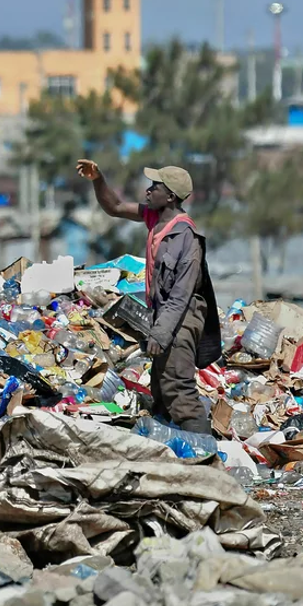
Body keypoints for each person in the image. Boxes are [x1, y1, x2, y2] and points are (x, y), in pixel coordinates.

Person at [76, 159, 221, 435]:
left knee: (179, 391)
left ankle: (205, 458)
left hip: (181, 320)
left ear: (170, 196)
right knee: (162, 393)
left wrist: (160, 334)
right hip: (166, 318)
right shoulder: (154, 218)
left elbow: (182, 294)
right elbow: (115, 207)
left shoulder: (186, 237)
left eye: (155, 186)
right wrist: (98, 178)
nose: (148, 191)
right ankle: (174, 452)